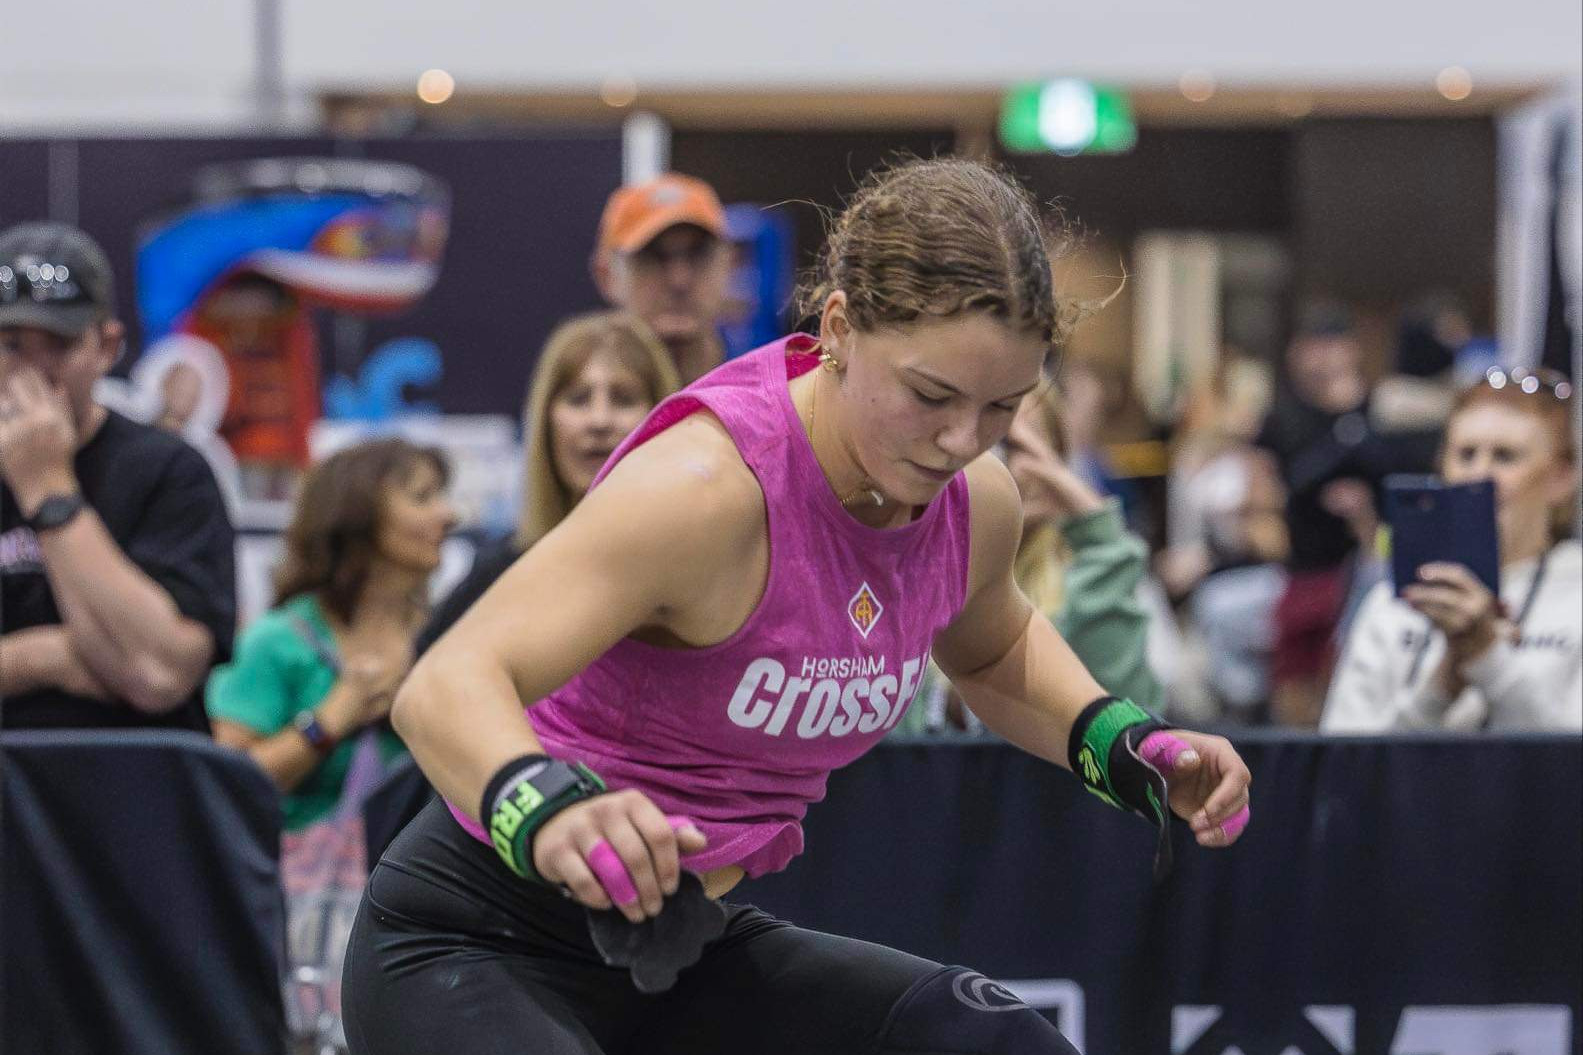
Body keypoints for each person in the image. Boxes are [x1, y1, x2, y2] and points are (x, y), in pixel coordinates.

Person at [343, 158, 1252, 1055]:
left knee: (988, 1039)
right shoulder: (705, 490)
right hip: (471, 944)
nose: (959, 440)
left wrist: (1117, 742)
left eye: (1000, 406)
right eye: (930, 395)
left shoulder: (975, 499)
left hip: (673, 948)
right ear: (840, 327)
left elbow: (989, 647)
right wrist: (549, 810)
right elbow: (444, 685)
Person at [0, 221, 235, 731]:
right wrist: (41, 658)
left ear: (106, 347)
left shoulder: (172, 470)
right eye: (12, 345)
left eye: (59, 344)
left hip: (137, 781)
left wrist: (48, 489)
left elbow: (157, 674)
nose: (32, 373)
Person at [207, 438, 456, 830]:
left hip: (425, 883)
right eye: (422, 497)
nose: (449, 514)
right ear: (358, 514)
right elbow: (222, 783)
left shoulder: (451, 637)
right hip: (295, 884)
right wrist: (332, 717)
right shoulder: (277, 640)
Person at [1322, 366, 1581, 732]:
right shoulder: (1393, 600)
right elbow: (1346, 767)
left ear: (1560, 478)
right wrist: (1440, 686)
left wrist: (1488, 658)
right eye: (1465, 454)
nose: (1479, 475)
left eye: (1505, 457)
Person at [899, 381, 1163, 734]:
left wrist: (1101, 541)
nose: (984, 465)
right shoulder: (901, 574)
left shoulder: (1090, 579)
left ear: (1050, 464)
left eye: (1006, 445)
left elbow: (1129, 730)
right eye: (970, 444)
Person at [417, 311, 680, 655]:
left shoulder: (691, 571)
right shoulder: (501, 573)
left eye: (623, 399)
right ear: (545, 420)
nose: (599, 421)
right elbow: (418, 690)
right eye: (578, 399)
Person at [591, 173, 732, 384]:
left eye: (699, 255)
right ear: (606, 276)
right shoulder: (582, 407)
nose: (679, 280)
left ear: (728, 267)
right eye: (651, 257)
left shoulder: (775, 392)